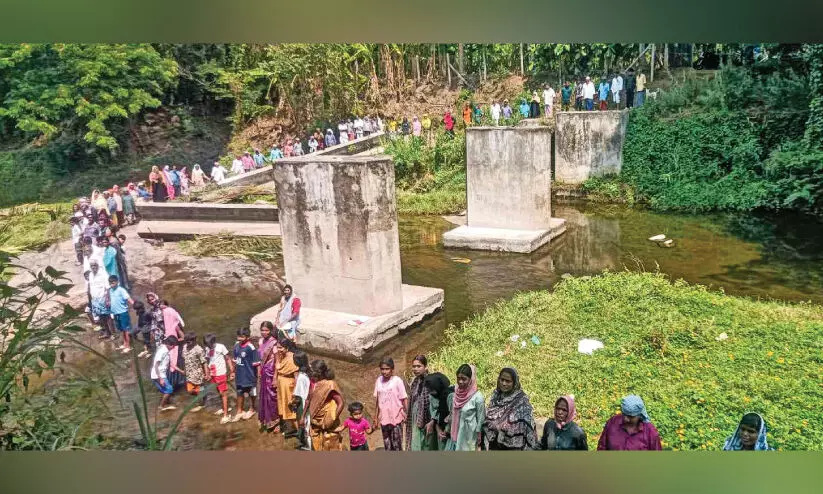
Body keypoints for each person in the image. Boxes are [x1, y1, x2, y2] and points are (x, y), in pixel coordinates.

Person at [481, 367, 538, 450]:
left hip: (513, 447)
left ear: (514, 383)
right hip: (494, 444)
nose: (504, 383)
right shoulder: (496, 396)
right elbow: (488, 418)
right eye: (502, 380)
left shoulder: (521, 401)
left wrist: (501, 426)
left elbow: (526, 426)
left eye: (508, 381)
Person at [304, 359, 344, 451]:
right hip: (314, 421)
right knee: (317, 445)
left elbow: (341, 403)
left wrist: (332, 418)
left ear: (318, 373)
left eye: (312, 371)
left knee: (330, 444)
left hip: (327, 421)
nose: (310, 373)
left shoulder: (330, 385)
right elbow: (309, 399)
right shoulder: (314, 383)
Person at [597, 394, 662, 450]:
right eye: (624, 414)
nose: (626, 419)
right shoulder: (612, 423)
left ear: (639, 415)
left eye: (631, 417)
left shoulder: (650, 431)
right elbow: (602, 447)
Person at [446, 364, 484, 451]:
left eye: (464, 379)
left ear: (471, 379)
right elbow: (452, 414)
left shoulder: (477, 397)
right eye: (458, 378)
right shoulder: (455, 394)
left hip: (468, 439)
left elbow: (481, 420)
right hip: (454, 437)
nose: (460, 382)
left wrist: (479, 441)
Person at [374, 357, 407, 451]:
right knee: (387, 444)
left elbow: (404, 398)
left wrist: (407, 414)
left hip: (396, 417)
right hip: (384, 417)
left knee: (397, 445)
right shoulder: (379, 380)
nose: (384, 371)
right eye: (382, 369)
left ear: (392, 369)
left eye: (387, 369)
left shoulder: (397, 381)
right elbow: (377, 400)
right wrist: (375, 417)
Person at [406, 355, 435, 451]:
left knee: (425, 443)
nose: (415, 369)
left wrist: (432, 420)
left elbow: (433, 403)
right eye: (414, 366)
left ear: (425, 367)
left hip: (426, 418)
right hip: (415, 417)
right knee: (415, 442)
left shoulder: (430, 381)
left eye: (419, 366)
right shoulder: (415, 381)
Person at [232, 327, 259, 422]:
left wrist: (258, 375)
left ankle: (252, 408)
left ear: (247, 337)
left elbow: (257, 363)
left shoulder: (251, 348)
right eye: (238, 336)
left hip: (249, 375)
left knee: (252, 392)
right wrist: (232, 372)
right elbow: (235, 361)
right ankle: (240, 410)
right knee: (239, 392)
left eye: (242, 337)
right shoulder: (236, 346)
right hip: (239, 375)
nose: (239, 339)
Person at [256, 321, 279, 432]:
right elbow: (259, 358)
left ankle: (276, 420)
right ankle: (266, 419)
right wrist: (259, 371)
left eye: (266, 330)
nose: (264, 332)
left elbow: (277, 361)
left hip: (271, 371)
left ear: (270, 331)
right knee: (263, 396)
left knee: (272, 396)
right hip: (263, 372)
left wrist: (275, 377)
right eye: (262, 330)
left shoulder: (274, 343)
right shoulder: (260, 341)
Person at [205, 333, 233, 424]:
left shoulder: (221, 347)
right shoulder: (207, 349)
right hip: (213, 373)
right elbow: (208, 360)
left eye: (209, 344)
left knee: (223, 393)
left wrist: (232, 370)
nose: (208, 346)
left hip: (221, 373)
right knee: (218, 391)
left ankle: (226, 415)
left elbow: (228, 358)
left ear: (213, 342)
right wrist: (208, 373)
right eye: (207, 345)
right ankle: (224, 407)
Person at [275, 338, 299, 434]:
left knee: (291, 409)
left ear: (287, 348)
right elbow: (278, 368)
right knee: (282, 405)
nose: (278, 350)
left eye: (280, 348)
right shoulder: (281, 356)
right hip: (281, 384)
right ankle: (290, 428)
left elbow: (296, 376)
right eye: (277, 348)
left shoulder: (292, 358)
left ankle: (301, 435)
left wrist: (295, 392)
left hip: (289, 385)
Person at [423, 372, 452, 450]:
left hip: (448, 430)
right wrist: (437, 428)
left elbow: (451, 415)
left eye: (432, 389)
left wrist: (446, 431)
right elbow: (435, 414)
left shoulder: (449, 396)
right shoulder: (433, 396)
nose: (430, 392)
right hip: (438, 429)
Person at [160, 300, 185, 389]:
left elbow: (182, 337)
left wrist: (175, 341)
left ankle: (176, 384)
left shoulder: (175, 325)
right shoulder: (165, 325)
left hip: (175, 349)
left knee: (175, 365)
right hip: (170, 348)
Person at [181, 333, 209, 412]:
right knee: (190, 390)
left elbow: (204, 362)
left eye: (189, 342)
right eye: (186, 342)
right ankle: (203, 393)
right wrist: (184, 370)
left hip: (198, 373)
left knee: (199, 387)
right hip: (189, 373)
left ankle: (202, 404)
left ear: (194, 341)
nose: (187, 344)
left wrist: (207, 373)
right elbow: (184, 360)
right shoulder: (184, 347)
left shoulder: (199, 350)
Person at [108, 275, 134, 354]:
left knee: (125, 330)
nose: (111, 284)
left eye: (113, 282)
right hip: (115, 313)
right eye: (110, 282)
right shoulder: (110, 290)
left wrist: (135, 305)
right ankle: (125, 343)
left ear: (117, 282)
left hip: (123, 312)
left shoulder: (121, 290)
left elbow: (128, 299)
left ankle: (128, 346)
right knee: (121, 329)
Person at [151, 335, 178, 411]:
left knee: (166, 390)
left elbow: (171, 364)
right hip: (158, 375)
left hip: (159, 374)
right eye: (173, 346)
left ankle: (167, 403)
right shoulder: (162, 351)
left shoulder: (165, 350)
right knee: (169, 390)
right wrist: (160, 379)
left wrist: (181, 371)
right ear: (170, 345)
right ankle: (161, 407)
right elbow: (156, 365)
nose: (174, 348)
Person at [292, 351, 311, 450]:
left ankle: (308, 447)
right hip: (308, 402)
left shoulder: (301, 377)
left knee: (305, 425)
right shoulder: (309, 370)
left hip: (303, 404)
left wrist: (293, 404)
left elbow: (298, 396)